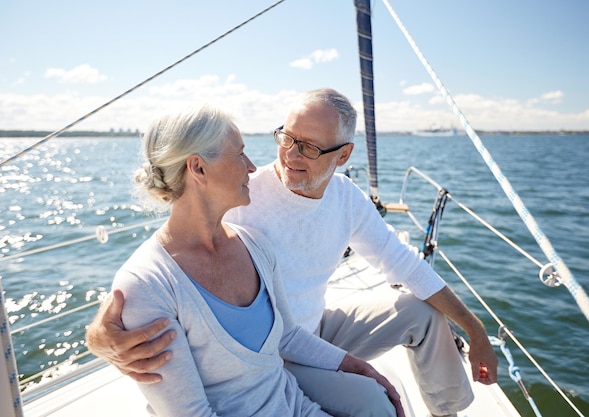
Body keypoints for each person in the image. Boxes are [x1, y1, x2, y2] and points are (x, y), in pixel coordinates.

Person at [87, 89, 498, 417]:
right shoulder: (242, 196)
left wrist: (475, 329)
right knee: (374, 401)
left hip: (305, 333)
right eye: (287, 138)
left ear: (343, 155)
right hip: (271, 356)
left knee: (422, 313)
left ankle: (446, 412)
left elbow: (404, 264)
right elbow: (169, 268)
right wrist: (99, 333)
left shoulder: (342, 200)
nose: (287, 156)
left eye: (309, 148)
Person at [103, 103, 403, 417]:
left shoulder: (254, 245)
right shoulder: (148, 285)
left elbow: (287, 336)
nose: (251, 166)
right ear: (198, 169)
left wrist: (362, 369)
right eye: (239, 154)